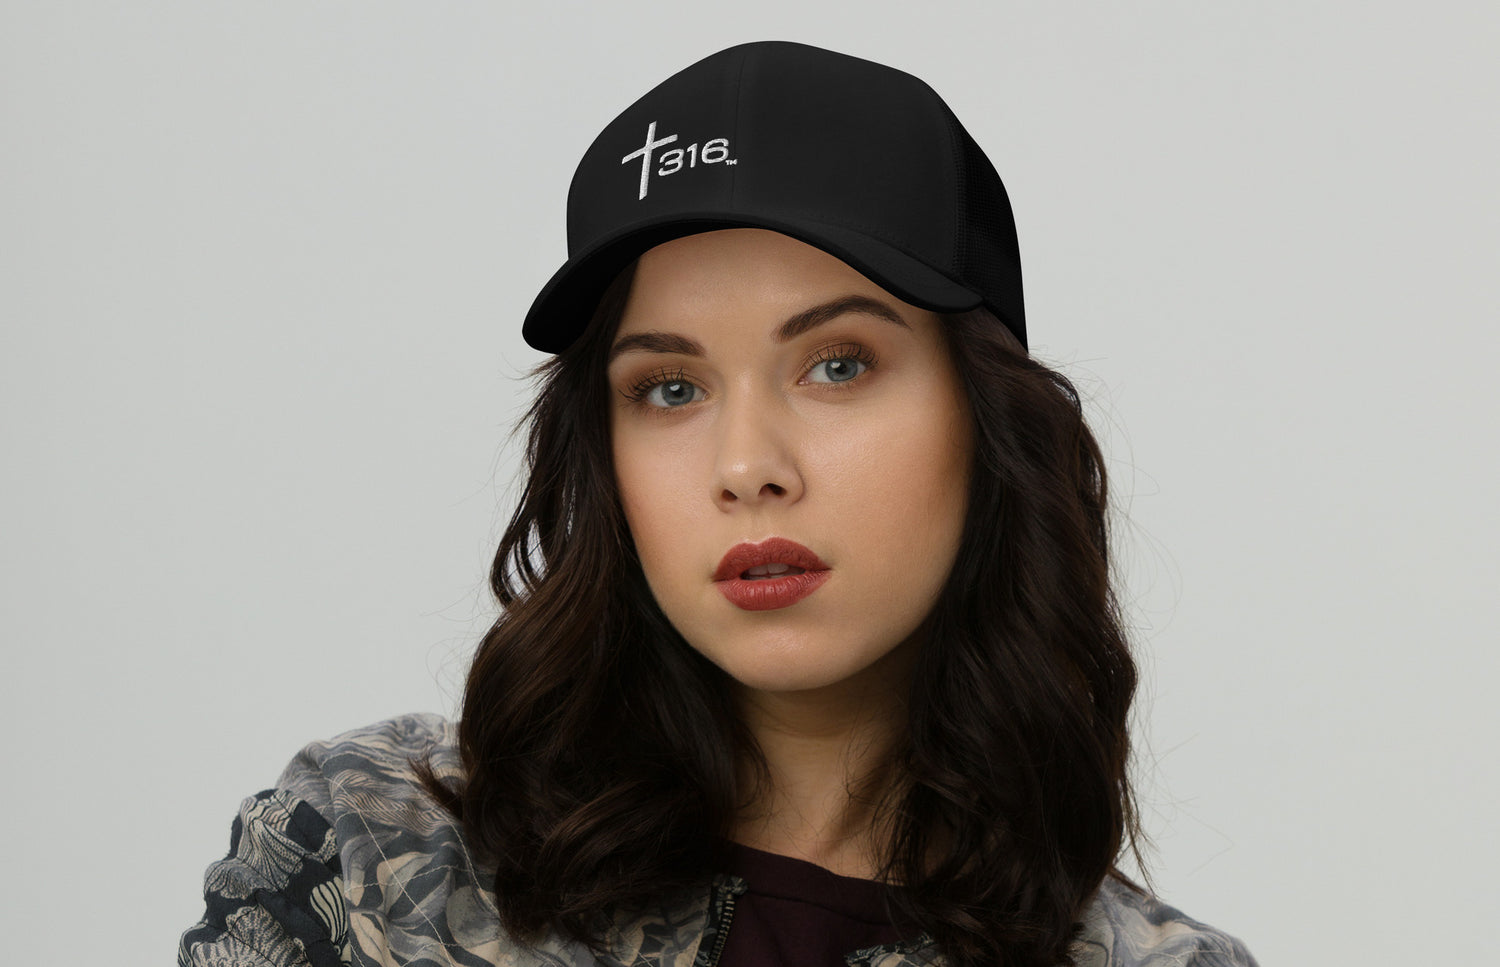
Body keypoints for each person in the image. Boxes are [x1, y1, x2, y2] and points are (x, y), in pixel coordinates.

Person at [179, 40, 1258, 967]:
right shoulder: (366, 856)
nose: (747, 465)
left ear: (987, 421)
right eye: (671, 388)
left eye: (838, 365)